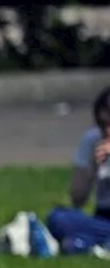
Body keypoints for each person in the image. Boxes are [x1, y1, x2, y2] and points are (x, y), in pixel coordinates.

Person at [45, 87, 110, 252]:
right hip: (103, 218)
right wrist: (92, 167)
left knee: (74, 242)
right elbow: (78, 199)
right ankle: (89, 244)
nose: (108, 131)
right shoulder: (92, 140)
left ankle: (84, 244)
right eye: (104, 125)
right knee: (58, 217)